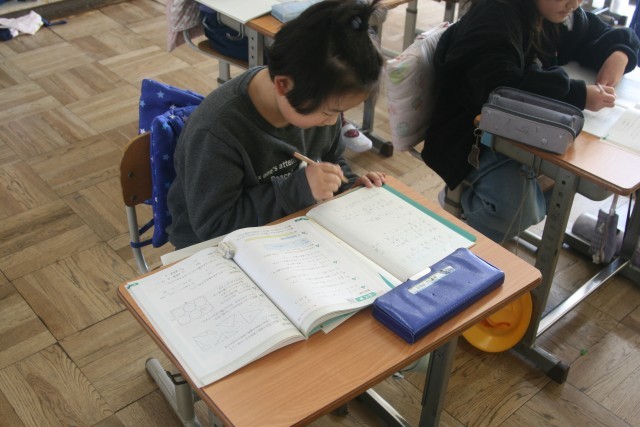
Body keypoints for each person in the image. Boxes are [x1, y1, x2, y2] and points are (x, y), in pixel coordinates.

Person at [167, 0, 386, 250]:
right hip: (211, 248)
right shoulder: (216, 131)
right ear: (284, 85)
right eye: (329, 112)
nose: (333, 122)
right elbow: (214, 226)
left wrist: (347, 187)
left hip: (288, 226)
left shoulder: (315, 95)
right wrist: (299, 188)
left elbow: (331, 160)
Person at [422, 0, 640, 243]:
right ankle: (463, 216)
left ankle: (484, 212)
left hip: (524, 131)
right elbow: (503, 89)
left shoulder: (557, 12)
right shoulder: (495, 17)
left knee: (571, 179)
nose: (574, 4)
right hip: (471, 138)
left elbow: (604, 33)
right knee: (523, 211)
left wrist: (619, 54)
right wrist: (578, 95)